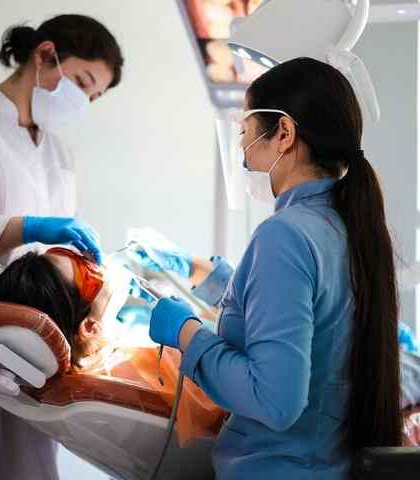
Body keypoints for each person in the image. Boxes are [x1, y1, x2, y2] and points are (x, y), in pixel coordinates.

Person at [138, 58, 402, 479]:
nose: (242, 153)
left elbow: (275, 401)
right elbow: (297, 316)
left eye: (244, 133)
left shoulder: (285, 235)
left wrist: (186, 333)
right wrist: (209, 281)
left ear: (284, 133)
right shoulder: (348, 229)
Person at [0, 14, 123, 480]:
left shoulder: (58, 154)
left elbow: (57, 254)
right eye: (82, 83)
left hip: (35, 353)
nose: (83, 102)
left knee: (32, 467)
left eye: (93, 97)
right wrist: (28, 227)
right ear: (44, 54)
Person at [0, 248, 225, 445]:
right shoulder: (161, 369)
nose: (94, 260)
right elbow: (239, 378)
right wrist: (192, 325)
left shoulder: (99, 361)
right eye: (87, 270)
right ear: (90, 327)